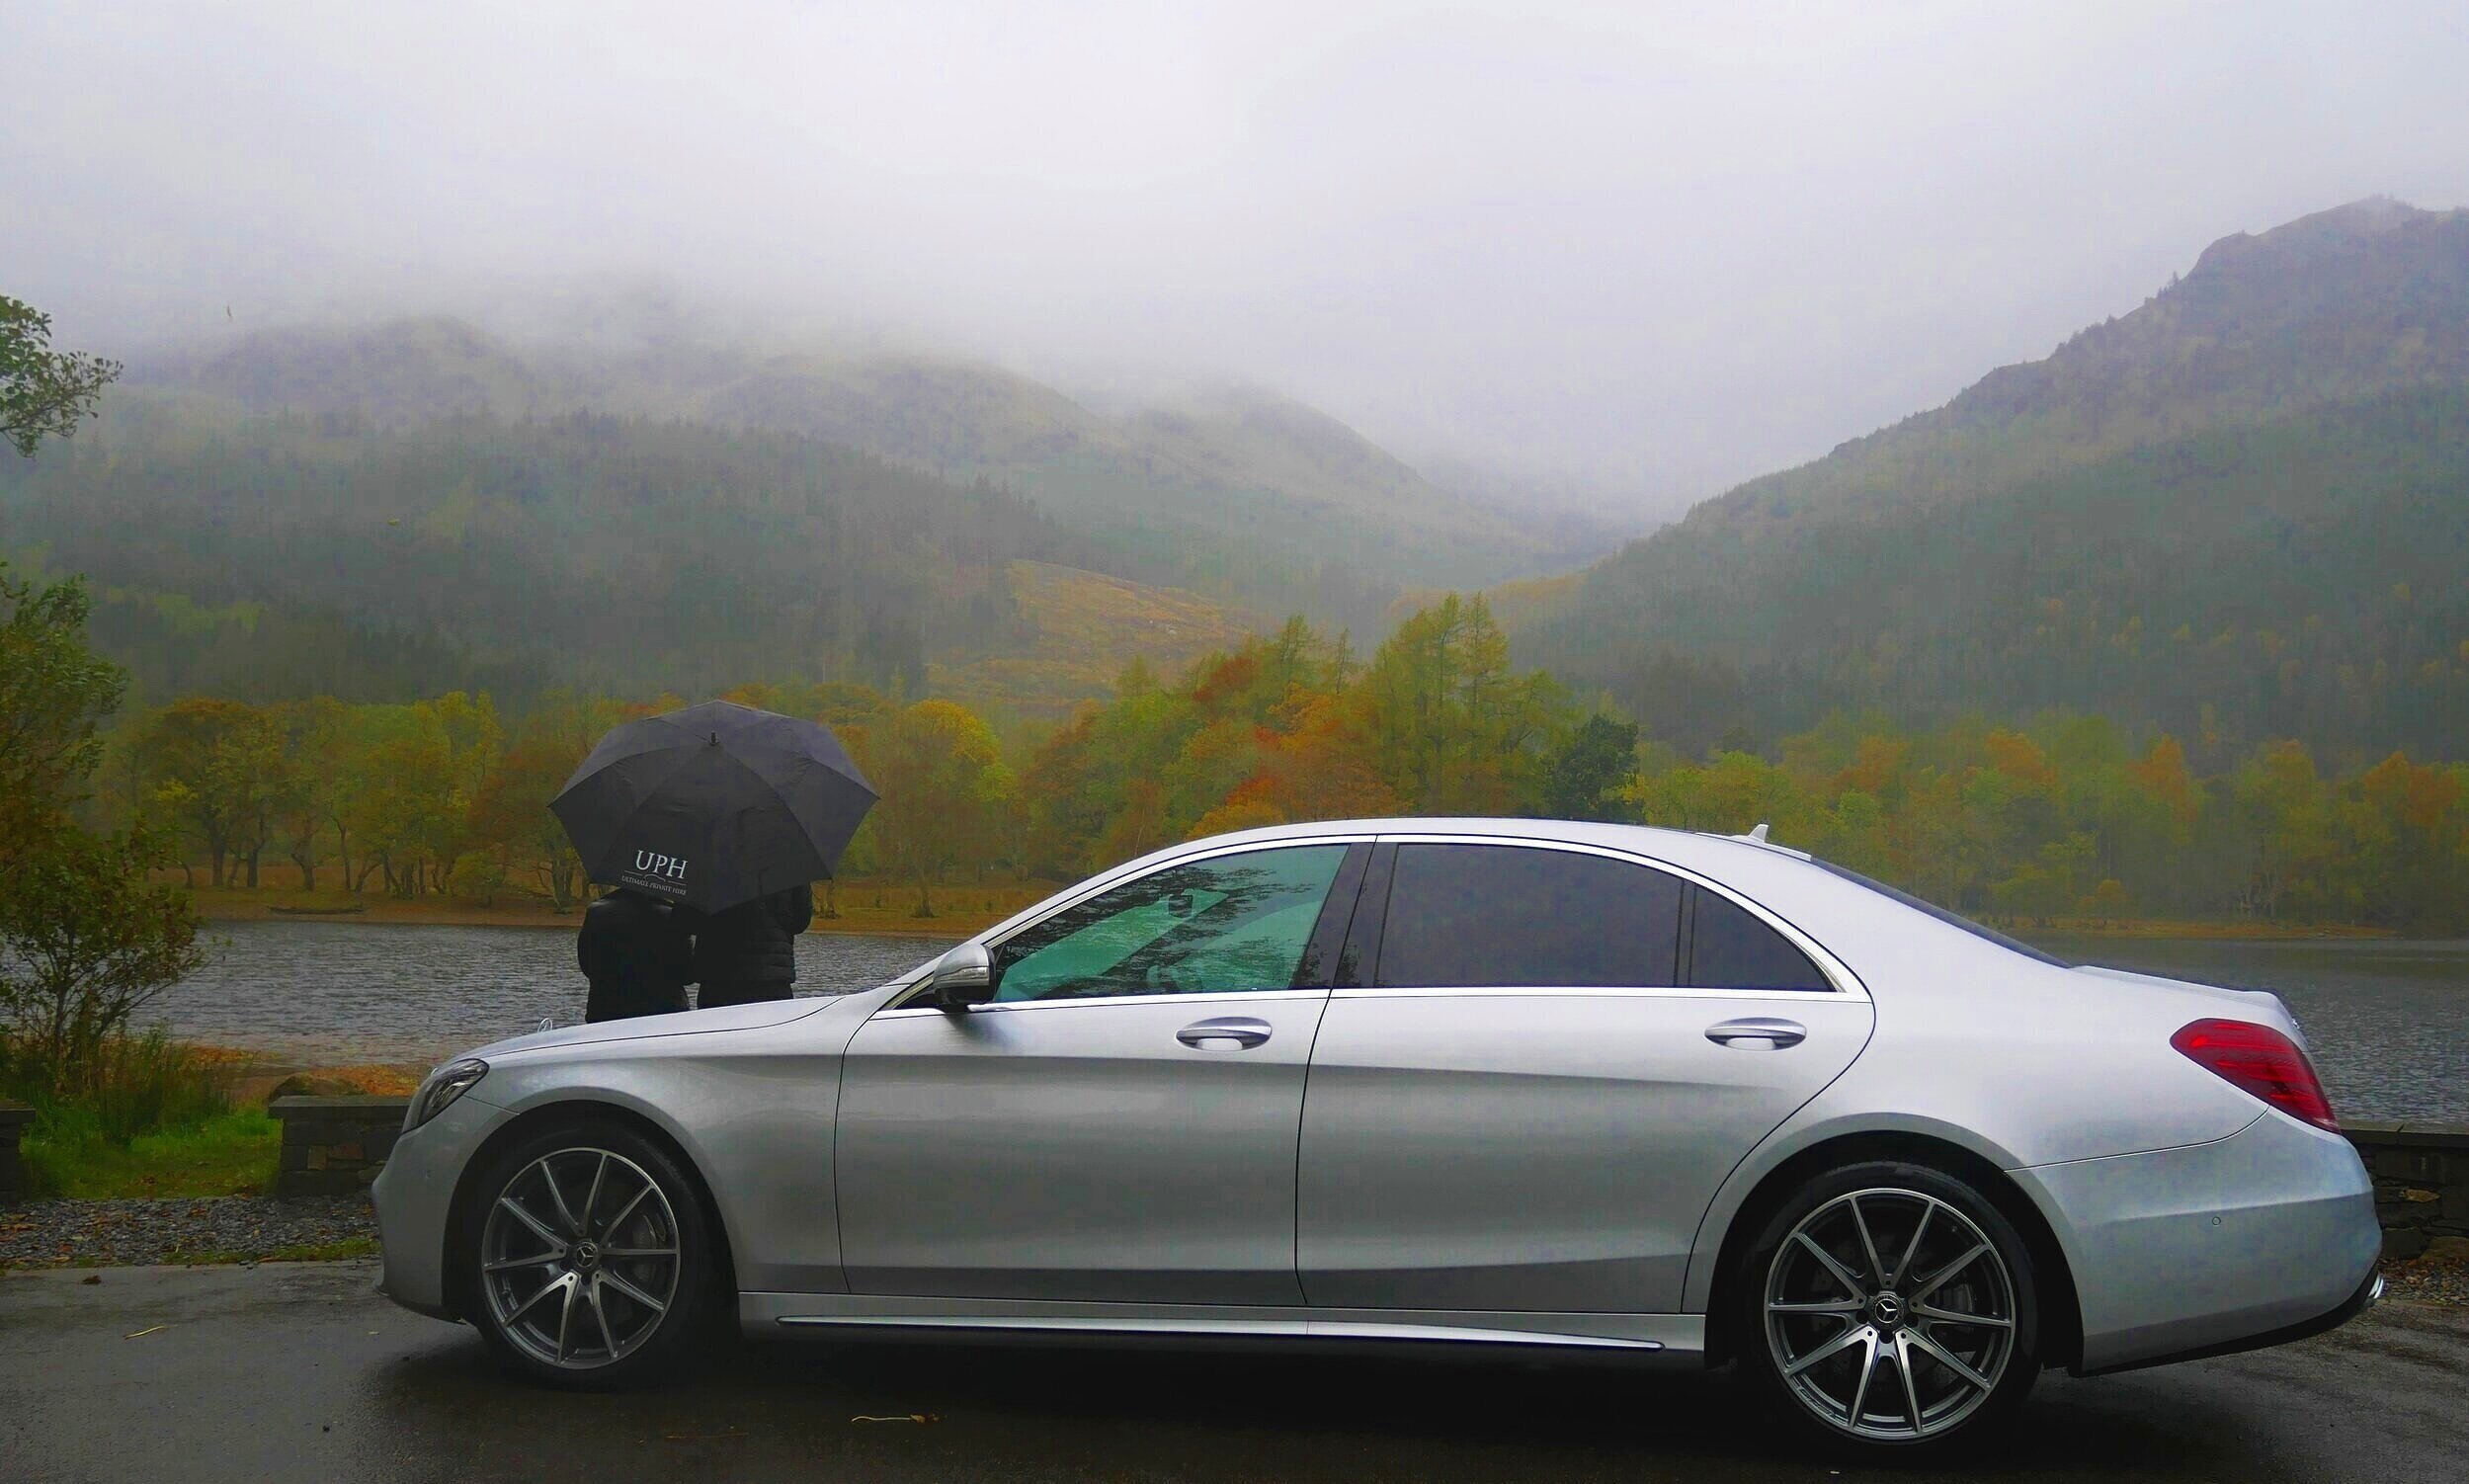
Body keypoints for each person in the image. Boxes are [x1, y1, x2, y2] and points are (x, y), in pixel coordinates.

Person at [576, 885, 697, 1023]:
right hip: (663, 1014)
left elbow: (586, 964)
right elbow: (687, 975)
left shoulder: (596, 912)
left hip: (605, 1010)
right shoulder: (673, 917)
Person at [693, 883, 813, 1008]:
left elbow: (688, 921)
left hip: (717, 976)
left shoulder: (707, 867)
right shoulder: (791, 866)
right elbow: (800, 921)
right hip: (773, 976)